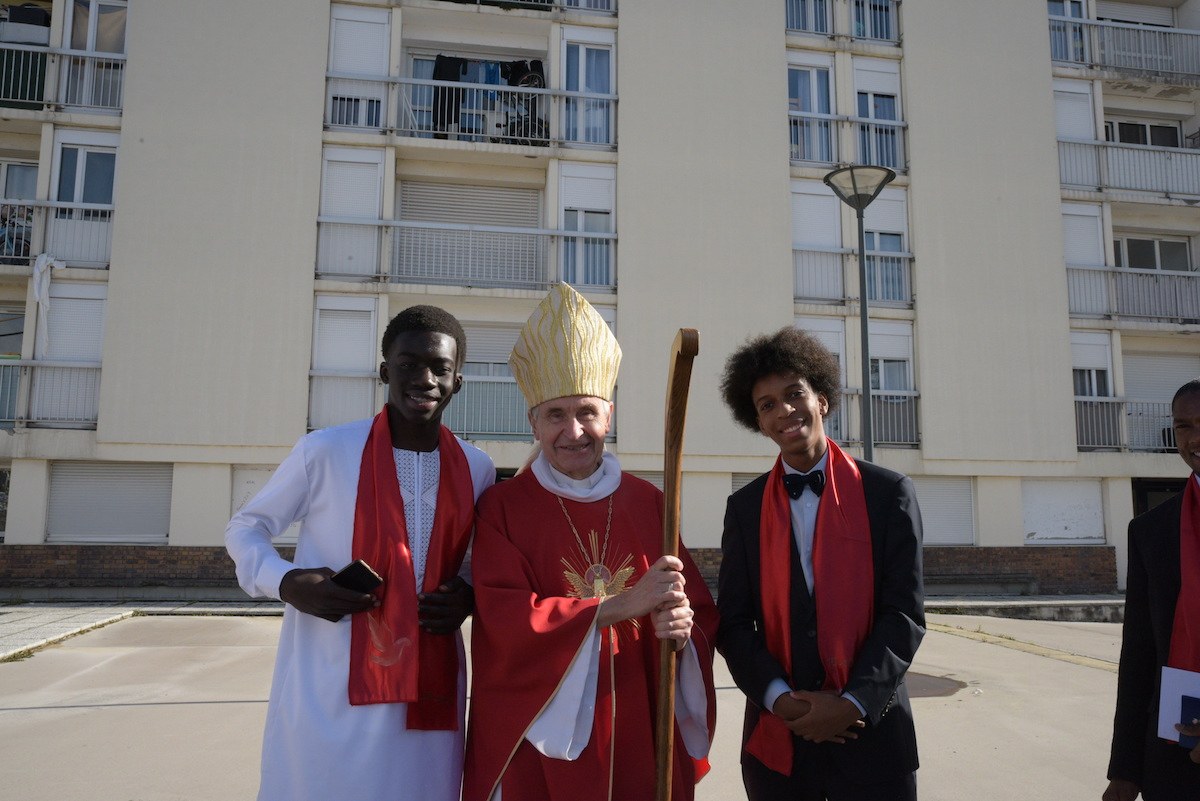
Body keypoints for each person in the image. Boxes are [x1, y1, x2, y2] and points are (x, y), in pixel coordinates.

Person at [225, 305, 495, 801]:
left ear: (457, 381)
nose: (425, 379)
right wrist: (286, 581)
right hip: (332, 671)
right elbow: (247, 527)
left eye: (439, 368)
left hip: (431, 682)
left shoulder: (477, 467)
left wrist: (469, 594)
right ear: (385, 371)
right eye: (409, 365)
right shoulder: (325, 451)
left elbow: (479, 560)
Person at [463, 283, 717, 801]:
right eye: (555, 415)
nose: (574, 431)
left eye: (586, 412)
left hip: (643, 712)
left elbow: (697, 612)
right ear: (533, 422)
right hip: (546, 736)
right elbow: (504, 619)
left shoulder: (650, 502)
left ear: (609, 416)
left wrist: (683, 633)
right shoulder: (502, 508)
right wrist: (621, 605)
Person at [715, 326, 925, 801]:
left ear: (822, 400)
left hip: (873, 740)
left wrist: (852, 703)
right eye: (767, 404)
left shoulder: (889, 494)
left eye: (795, 394)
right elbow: (733, 623)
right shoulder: (745, 509)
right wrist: (780, 700)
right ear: (759, 422)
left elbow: (904, 615)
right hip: (780, 744)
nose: (784, 411)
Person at [1105, 378, 1200, 801]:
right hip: (1172, 753)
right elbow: (1139, 653)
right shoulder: (1150, 531)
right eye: (1183, 426)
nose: (1194, 438)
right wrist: (1125, 769)